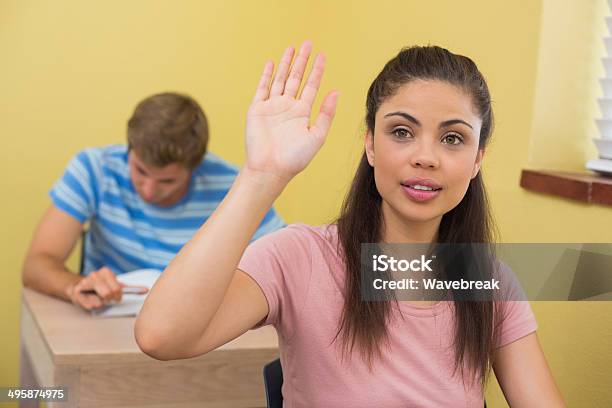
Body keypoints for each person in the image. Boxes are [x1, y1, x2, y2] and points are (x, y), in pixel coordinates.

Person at [135, 43, 565, 406]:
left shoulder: (487, 279)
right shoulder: (299, 256)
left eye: (452, 138)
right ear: (370, 145)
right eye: (401, 132)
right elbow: (161, 337)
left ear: (477, 161)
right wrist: (262, 175)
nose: (425, 157)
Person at [22, 92, 285, 311]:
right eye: (140, 171)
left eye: (167, 182)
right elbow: (37, 264)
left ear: (195, 167)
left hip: (196, 327)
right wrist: (74, 285)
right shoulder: (95, 168)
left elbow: (284, 265)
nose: (148, 191)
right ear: (129, 149)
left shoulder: (233, 186)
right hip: (108, 320)